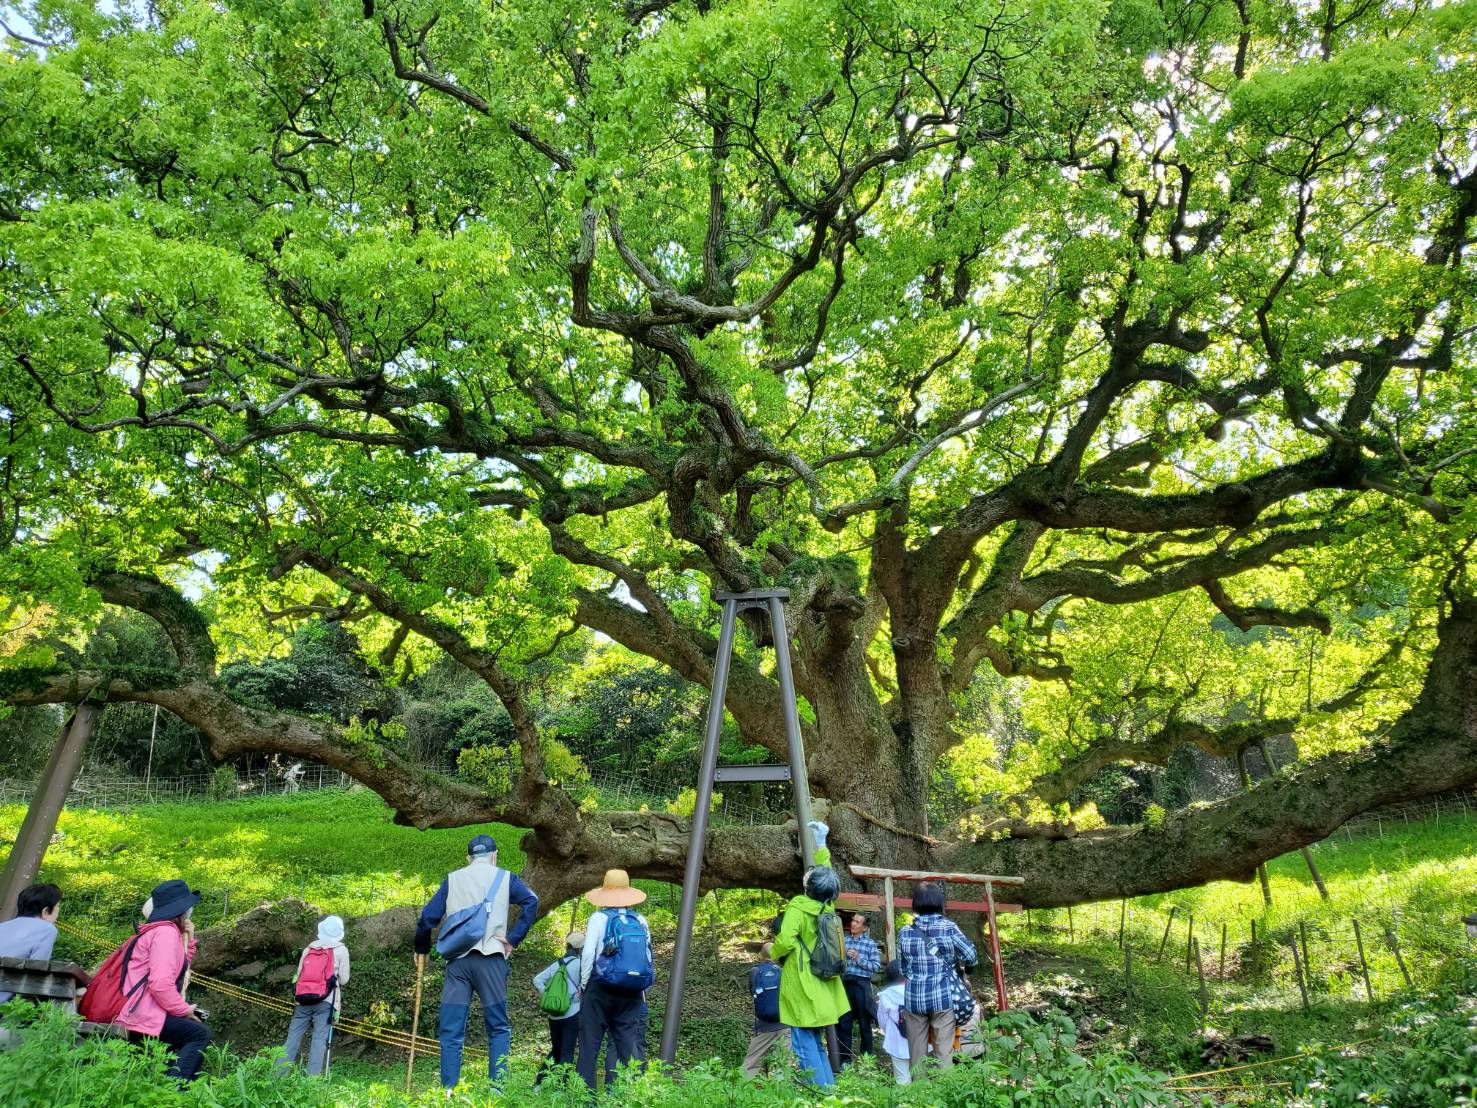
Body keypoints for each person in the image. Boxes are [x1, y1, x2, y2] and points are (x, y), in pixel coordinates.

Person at [414, 834, 540, 1089]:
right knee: (498, 1028)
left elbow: (428, 917)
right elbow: (531, 901)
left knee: (451, 1031)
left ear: (468, 858)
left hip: (457, 963)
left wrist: (422, 948)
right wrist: (513, 938)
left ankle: (448, 1090)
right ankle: (497, 1088)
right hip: (491, 959)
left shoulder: (453, 879)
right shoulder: (505, 877)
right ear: (494, 856)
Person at [770, 821, 849, 1089]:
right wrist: (821, 843)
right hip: (824, 982)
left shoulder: (799, 906)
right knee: (816, 1041)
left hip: (802, 981)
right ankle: (830, 1093)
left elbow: (786, 939)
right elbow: (829, 875)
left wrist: (775, 954)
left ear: (808, 887)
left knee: (803, 1044)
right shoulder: (828, 905)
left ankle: (820, 1096)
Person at [116, 880, 210, 1084]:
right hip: (144, 1013)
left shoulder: (158, 930)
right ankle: (173, 1093)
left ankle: (168, 1089)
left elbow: (178, 966)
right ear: (182, 910)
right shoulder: (166, 933)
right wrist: (184, 1010)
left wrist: (190, 939)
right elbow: (160, 983)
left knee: (178, 1043)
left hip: (142, 1010)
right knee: (199, 1034)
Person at [576, 869, 653, 1091]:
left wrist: (584, 984)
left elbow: (588, 954)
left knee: (589, 1045)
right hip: (631, 991)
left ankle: (586, 1099)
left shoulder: (599, 918)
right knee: (625, 1046)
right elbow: (647, 955)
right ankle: (622, 1096)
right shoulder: (640, 919)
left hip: (600, 988)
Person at [898, 881, 977, 1078]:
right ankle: (945, 1094)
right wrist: (965, 968)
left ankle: (920, 1096)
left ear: (915, 904)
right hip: (943, 997)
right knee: (944, 1053)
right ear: (939, 903)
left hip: (914, 1000)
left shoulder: (905, 932)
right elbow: (971, 954)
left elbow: (902, 968)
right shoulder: (948, 927)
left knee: (917, 1057)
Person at [277, 915, 350, 1077]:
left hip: (303, 999)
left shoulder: (309, 949)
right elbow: (344, 980)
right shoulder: (341, 950)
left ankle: (278, 1076)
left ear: (322, 929)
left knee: (292, 1038)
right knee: (318, 1040)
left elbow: (298, 975)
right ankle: (311, 1081)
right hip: (326, 1001)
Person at [532, 931, 584, 1081]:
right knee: (567, 1052)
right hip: (572, 1013)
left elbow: (537, 980)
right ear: (580, 949)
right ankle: (561, 1087)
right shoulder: (580, 964)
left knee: (556, 1050)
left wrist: (547, 995)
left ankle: (539, 1082)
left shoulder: (557, 963)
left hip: (553, 1015)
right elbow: (585, 983)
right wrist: (574, 995)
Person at [0, 883, 62, 1004]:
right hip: (5, 1005)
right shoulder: (47, 929)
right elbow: (38, 969)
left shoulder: (2, 926)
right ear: (45, 911)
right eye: (57, 906)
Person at [741, 942, 790, 1079]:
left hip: (764, 1025)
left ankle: (740, 1090)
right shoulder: (782, 971)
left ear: (760, 955)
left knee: (751, 1063)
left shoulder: (755, 971)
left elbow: (753, 992)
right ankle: (782, 1093)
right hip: (785, 1023)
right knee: (784, 1063)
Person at [838, 911, 880, 1066]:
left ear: (865, 927)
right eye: (853, 921)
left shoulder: (870, 944)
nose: (853, 924)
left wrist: (858, 958)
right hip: (845, 984)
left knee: (864, 1024)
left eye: (857, 922)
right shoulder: (844, 941)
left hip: (861, 985)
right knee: (844, 1022)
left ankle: (866, 1061)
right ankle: (845, 1059)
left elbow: (875, 967)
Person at [876, 960, 910, 1085]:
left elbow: (882, 1021)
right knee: (920, 1074)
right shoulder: (917, 990)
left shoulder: (885, 996)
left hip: (896, 1041)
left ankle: (906, 1103)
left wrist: (886, 1031)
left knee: (902, 1079)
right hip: (920, 1040)